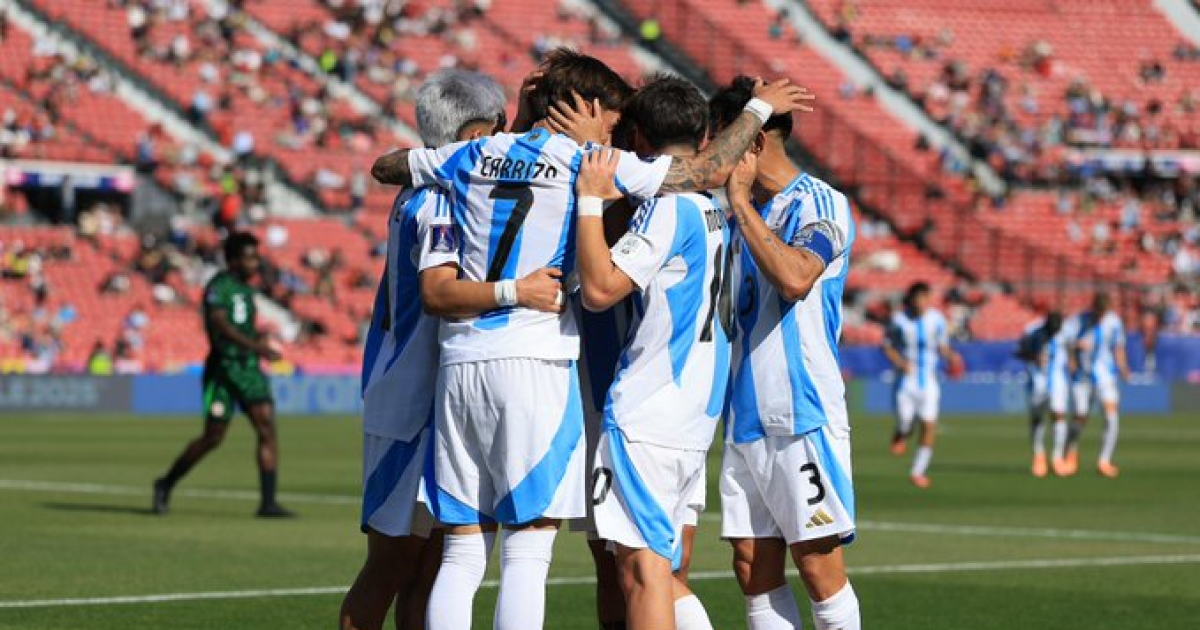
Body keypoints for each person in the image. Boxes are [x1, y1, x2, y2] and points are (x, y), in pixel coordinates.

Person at [371, 49, 812, 630]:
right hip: (540, 361)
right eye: (609, 117)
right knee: (530, 550)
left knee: (462, 549)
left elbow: (387, 166)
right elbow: (702, 174)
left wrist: (518, 122)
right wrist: (757, 109)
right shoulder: (590, 161)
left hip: (461, 363)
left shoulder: (472, 153)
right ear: (585, 107)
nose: (613, 131)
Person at [340, 69, 564, 630]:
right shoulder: (441, 197)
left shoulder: (436, 182)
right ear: (473, 135)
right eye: (497, 128)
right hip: (406, 401)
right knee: (388, 569)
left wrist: (528, 113)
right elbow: (446, 290)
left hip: (433, 398)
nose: (504, 137)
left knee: (431, 570)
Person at [574, 76, 728, 630]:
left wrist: (590, 203)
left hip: (650, 413)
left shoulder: (670, 208)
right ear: (703, 132)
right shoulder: (714, 208)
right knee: (662, 570)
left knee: (640, 573)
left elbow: (600, 290)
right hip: (694, 414)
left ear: (638, 136)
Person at [710, 76, 862, 630]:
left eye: (723, 140)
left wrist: (742, 206)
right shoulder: (733, 211)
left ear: (752, 141)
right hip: (745, 411)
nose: (715, 155)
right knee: (752, 564)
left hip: (801, 408)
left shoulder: (819, 201)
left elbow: (797, 278)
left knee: (818, 564)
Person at [152, 232, 292, 517]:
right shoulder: (218, 287)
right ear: (232, 259)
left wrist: (258, 342)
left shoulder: (247, 290)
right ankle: (165, 483)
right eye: (249, 257)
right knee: (213, 437)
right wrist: (257, 346)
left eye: (256, 256)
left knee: (266, 426)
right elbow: (222, 327)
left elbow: (243, 326)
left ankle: (268, 503)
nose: (255, 263)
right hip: (223, 369)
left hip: (248, 368)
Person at [884, 282, 962, 488]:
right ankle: (901, 432)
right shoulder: (899, 320)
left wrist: (952, 357)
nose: (921, 303)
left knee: (929, 425)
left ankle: (918, 471)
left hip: (928, 381)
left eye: (925, 298)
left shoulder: (937, 320)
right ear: (911, 300)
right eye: (918, 299)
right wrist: (900, 362)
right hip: (905, 381)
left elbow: (942, 346)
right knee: (905, 422)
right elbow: (887, 346)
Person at [1060, 293, 1130, 478]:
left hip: (1106, 377)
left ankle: (1104, 460)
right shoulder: (1079, 321)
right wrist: (1074, 352)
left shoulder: (1114, 322)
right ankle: (1070, 453)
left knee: (1111, 416)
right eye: (1099, 312)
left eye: (1104, 312)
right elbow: (1065, 340)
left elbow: (1119, 346)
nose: (1101, 316)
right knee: (1080, 417)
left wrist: (1123, 367)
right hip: (1083, 378)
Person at [1017, 310, 1071, 477]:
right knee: (1037, 418)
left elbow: (1070, 349)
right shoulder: (1033, 332)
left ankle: (1057, 457)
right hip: (1037, 381)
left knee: (1059, 414)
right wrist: (1034, 356)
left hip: (1057, 381)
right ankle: (1039, 455)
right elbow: (1020, 352)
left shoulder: (1066, 333)